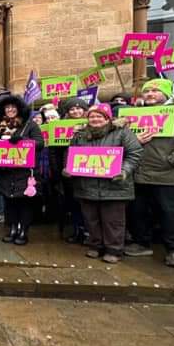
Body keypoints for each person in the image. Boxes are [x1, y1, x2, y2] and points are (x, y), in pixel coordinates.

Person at [125, 78, 174, 268]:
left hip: (168, 175)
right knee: (138, 210)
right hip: (138, 173)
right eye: (147, 91)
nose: (150, 94)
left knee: (171, 212)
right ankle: (141, 243)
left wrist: (173, 159)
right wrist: (132, 139)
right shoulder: (135, 113)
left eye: (155, 90)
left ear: (166, 93)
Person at [65, 104, 142, 263]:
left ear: (107, 118)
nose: (95, 119)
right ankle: (95, 246)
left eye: (99, 116)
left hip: (114, 185)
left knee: (112, 220)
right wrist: (68, 168)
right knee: (91, 219)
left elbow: (134, 153)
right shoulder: (79, 135)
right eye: (92, 116)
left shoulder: (122, 133)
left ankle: (114, 249)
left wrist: (124, 171)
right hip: (86, 185)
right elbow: (71, 153)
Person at [0, 95, 44, 245]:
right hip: (6, 170)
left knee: (24, 203)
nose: (10, 110)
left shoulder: (30, 125)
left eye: (13, 107)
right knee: (9, 202)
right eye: (7, 107)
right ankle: (12, 228)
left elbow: (40, 143)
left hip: (24, 172)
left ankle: (23, 230)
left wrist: (22, 141)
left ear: (19, 109)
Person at [54, 97, 90, 243]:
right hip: (68, 171)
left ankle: (89, 233)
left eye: (78, 108)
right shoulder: (61, 126)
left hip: (88, 170)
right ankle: (78, 230)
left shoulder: (93, 123)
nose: (76, 111)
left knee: (88, 205)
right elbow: (55, 151)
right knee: (73, 203)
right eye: (72, 109)